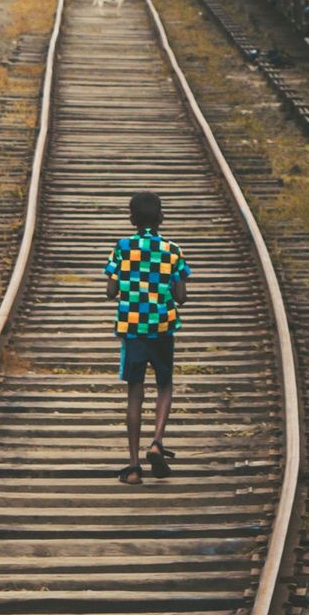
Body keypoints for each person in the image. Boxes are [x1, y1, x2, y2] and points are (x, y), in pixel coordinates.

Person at [104, 191, 190, 486]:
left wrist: (131, 285)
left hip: (132, 329)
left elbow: (111, 291)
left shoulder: (122, 247)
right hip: (162, 328)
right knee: (164, 384)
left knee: (135, 392)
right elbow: (181, 297)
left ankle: (133, 467)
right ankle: (156, 442)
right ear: (162, 217)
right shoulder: (173, 249)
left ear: (131, 219)